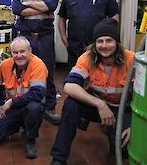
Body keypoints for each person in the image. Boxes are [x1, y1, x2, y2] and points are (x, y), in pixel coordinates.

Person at [50, 18, 134, 165]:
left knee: (123, 150)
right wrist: (100, 104)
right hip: (97, 107)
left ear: (117, 43)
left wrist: (135, 127)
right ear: (94, 44)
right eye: (100, 41)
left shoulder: (132, 60)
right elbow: (69, 86)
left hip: (123, 110)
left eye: (109, 41)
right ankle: (59, 158)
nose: (104, 45)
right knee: (70, 104)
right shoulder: (88, 57)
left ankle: (113, 134)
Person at [11, 0, 60, 124]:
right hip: (25, 37)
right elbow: (16, 8)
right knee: (24, 70)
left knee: (47, 71)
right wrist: (42, 7)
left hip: (45, 36)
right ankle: (27, 104)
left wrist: (27, 4)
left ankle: (49, 107)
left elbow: (52, 5)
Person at [0, 36, 47, 159]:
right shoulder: (4, 65)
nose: (19, 55)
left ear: (30, 51)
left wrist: (10, 102)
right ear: (11, 53)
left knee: (34, 108)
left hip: (29, 107)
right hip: (12, 109)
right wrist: (1, 105)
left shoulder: (38, 65)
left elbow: (37, 94)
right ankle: (18, 124)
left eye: (22, 51)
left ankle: (30, 138)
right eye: (15, 52)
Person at [58, 0, 119, 70]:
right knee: (76, 78)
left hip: (99, 48)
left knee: (97, 79)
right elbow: (61, 18)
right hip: (74, 48)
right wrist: (64, 40)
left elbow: (114, 17)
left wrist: (111, 40)